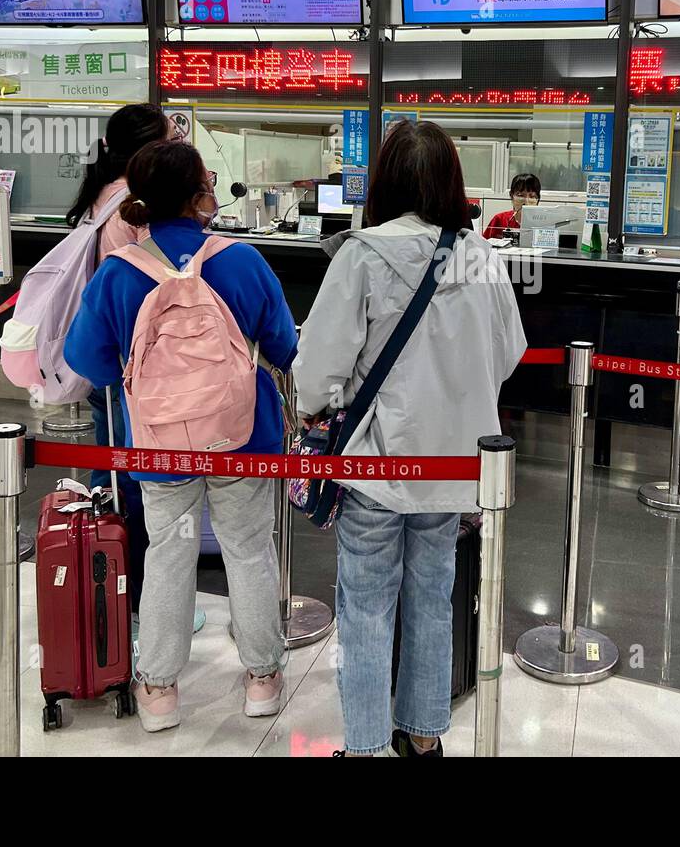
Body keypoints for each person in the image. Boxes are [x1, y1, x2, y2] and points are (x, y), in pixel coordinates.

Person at [294, 119, 527, 757]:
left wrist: (320, 411)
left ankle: (366, 746)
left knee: (366, 609)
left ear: (386, 182)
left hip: (377, 464)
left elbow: (316, 371)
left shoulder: (363, 254)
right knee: (431, 598)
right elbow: (510, 353)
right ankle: (422, 740)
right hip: (455, 469)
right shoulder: (484, 259)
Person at [64, 140, 298, 733]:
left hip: (159, 441)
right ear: (199, 195)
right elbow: (285, 347)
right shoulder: (241, 259)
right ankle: (262, 678)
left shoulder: (119, 272)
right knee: (249, 549)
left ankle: (161, 690)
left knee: (167, 553)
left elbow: (88, 361)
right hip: (243, 438)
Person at [64, 103, 170, 617]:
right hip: (133, 368)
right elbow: (154, 286)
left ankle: (102, 582)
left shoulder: (103, 197)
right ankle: (132, 596)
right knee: (132, 480)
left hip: (109, 363)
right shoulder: (133, 205)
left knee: (110, 471)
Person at [483, 172, 541, 239]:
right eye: (520, 195)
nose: (526, 201)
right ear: (511, 196)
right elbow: (483, 246)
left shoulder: (544, 223)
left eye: (532, 196)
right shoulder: (499, 219)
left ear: (538, 199)